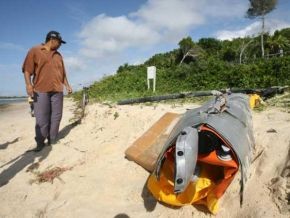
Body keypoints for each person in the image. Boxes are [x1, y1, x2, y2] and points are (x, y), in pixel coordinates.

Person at [22, 31, 72, 152]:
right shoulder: (35, 50)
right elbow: (27, 70)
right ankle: (40, 142)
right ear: (52, 40)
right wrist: (28, 85)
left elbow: (63, 73)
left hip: (57, 90)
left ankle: (53, 139)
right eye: (59, 42)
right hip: (40, 89)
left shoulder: (58, 55)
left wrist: (67, 85)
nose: (60, 45)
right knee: (41, 118)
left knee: (56, 115)